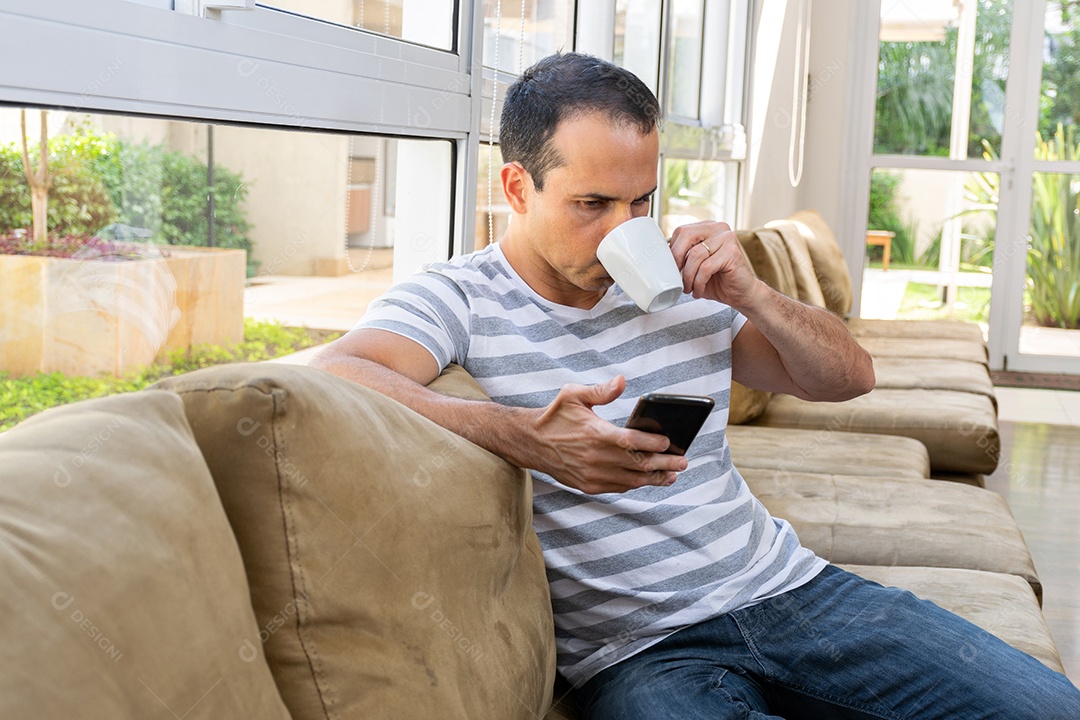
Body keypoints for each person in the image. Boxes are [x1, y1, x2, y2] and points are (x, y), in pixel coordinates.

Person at [311, 52, 1080, 719]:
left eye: (641, 200)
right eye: (592, 204)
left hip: (790, 591)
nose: (624, 227)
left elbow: (852, 377)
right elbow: (340, 372)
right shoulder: (461, 297)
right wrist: (521, 438)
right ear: (517, 187)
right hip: (638, 654)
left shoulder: (682, 284)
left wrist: (752, 294)